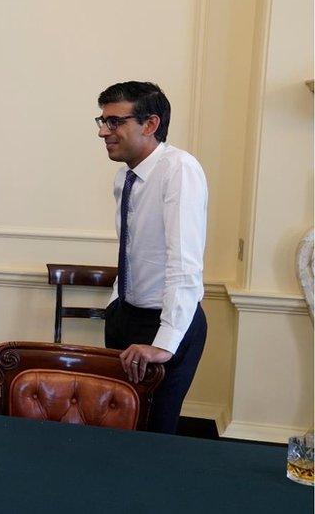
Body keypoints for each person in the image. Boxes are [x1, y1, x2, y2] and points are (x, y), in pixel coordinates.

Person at [97, 81, 208, 433]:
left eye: (114, 122)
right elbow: (133, 251)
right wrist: (116, 305)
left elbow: (183, 264)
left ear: (150, 124)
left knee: (154, 434)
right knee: (121, 424)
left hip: (166, 321)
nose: (103, 131)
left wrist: (163, 343)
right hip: (126, 316)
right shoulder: (124, 177)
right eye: (101, 121)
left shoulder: (179, 170)